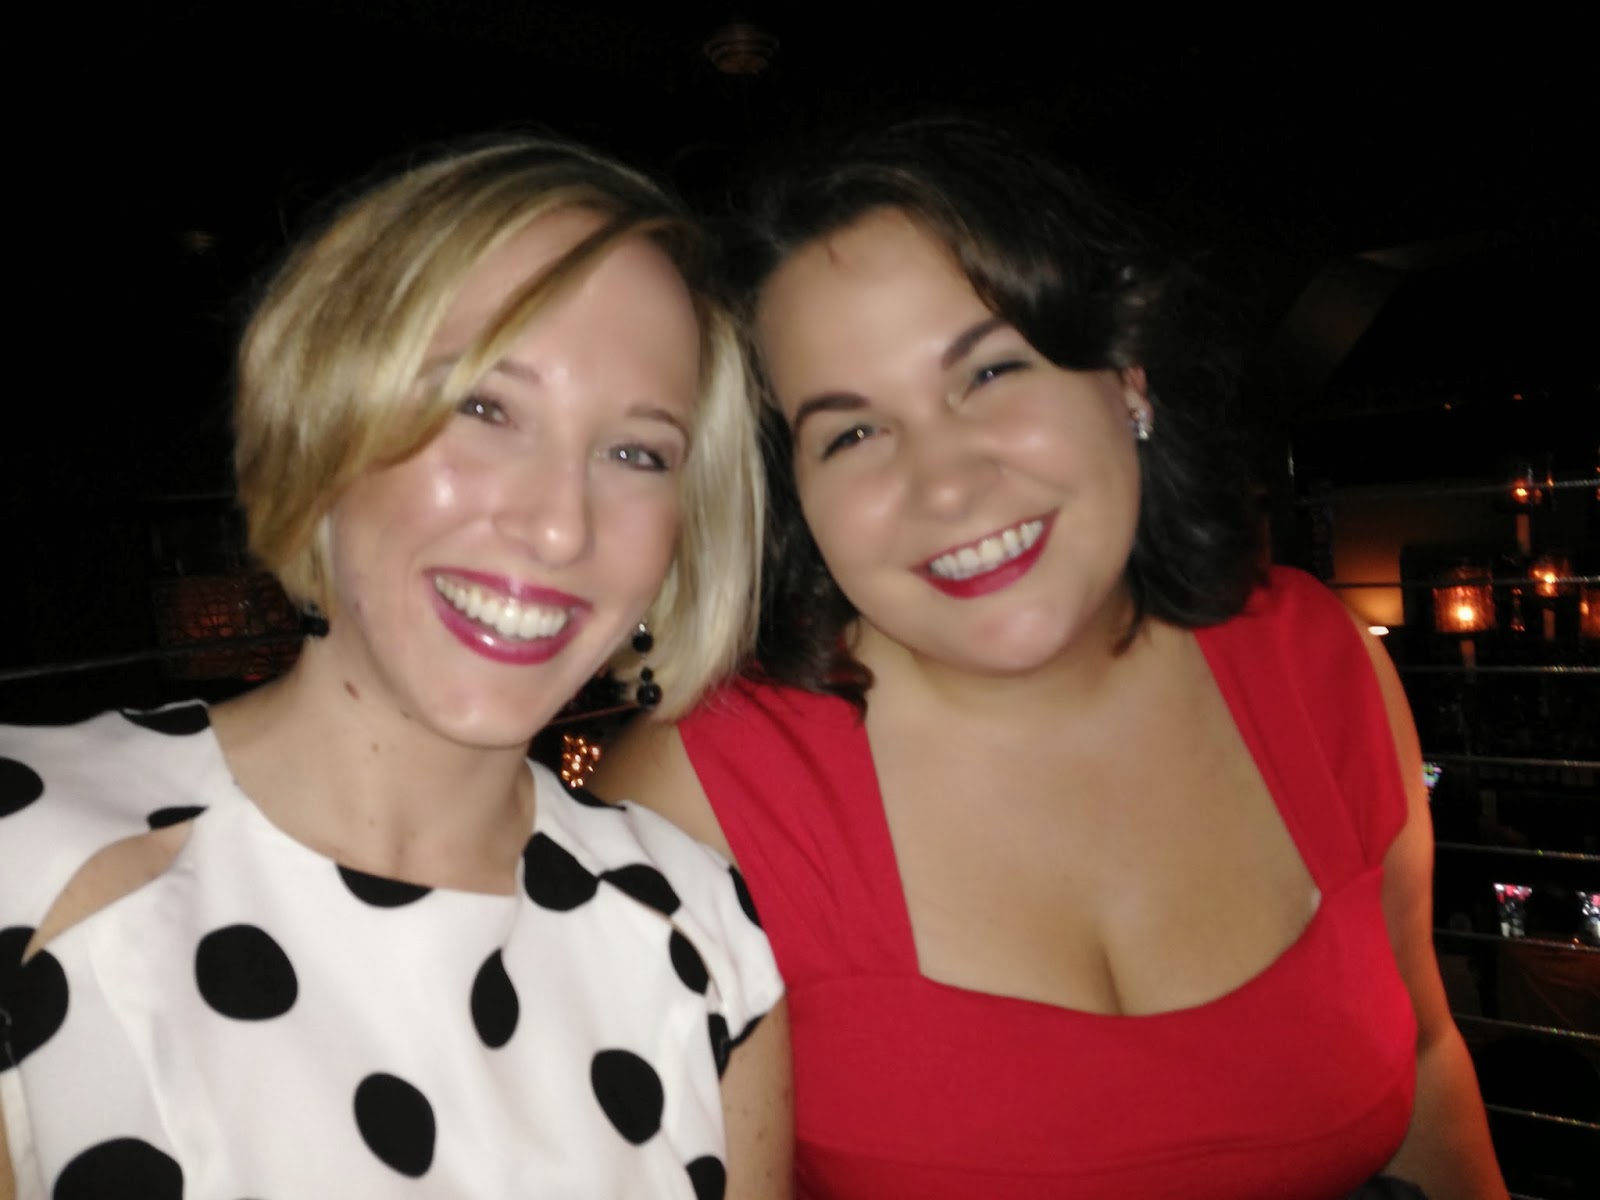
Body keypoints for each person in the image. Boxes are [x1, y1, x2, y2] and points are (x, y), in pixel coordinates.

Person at [593, 118, 1507, 1198]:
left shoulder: (1320, 667)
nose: (946, 482)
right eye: (851, 433)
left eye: (989, 372)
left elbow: (1425, 1056)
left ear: (1127, 377)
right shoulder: (698, 804)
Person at [0, 136, 790, 1198]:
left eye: (636, 452)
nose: (561, 526)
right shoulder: (27, 855)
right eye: (484, 407)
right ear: (326, 421)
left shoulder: (700, 933)